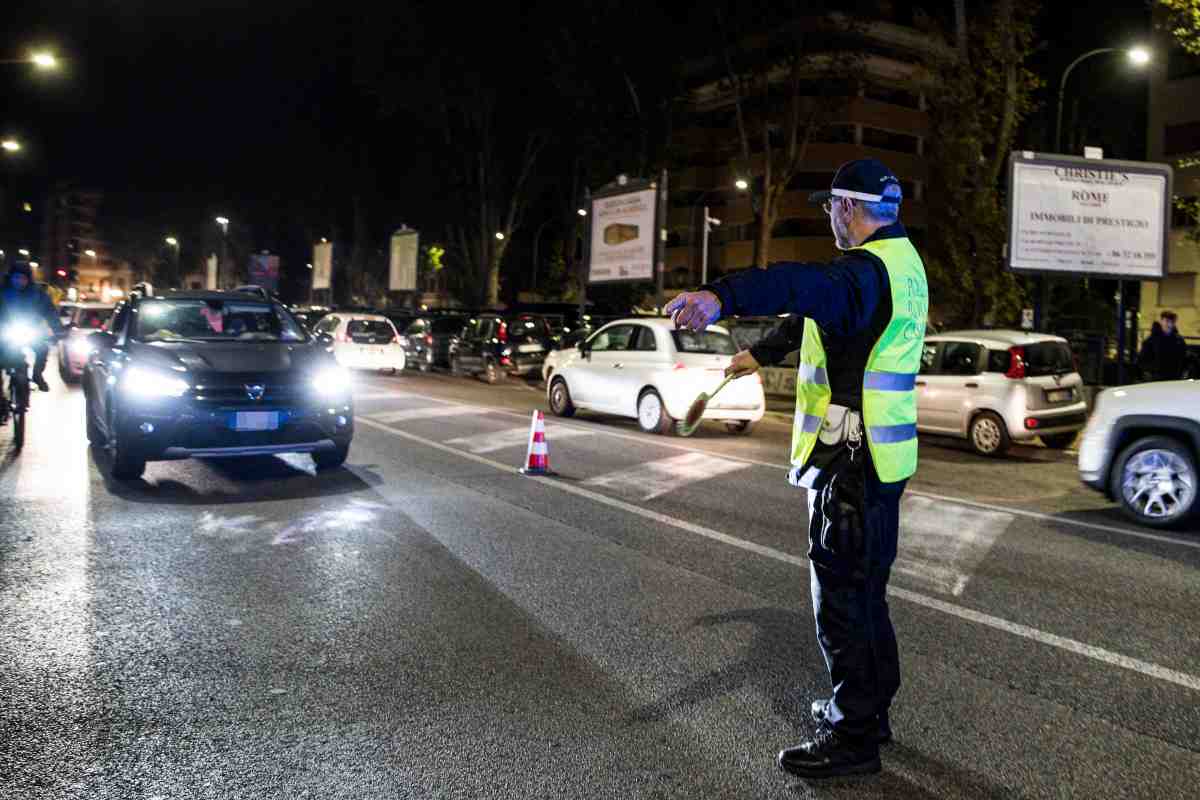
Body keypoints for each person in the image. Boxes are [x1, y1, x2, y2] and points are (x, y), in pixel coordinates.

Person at [666, 158, 928, 781]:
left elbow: (800, 287)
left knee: (840, 599)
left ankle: (852, 737)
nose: (828, 218)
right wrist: (757, 353)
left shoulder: (860, 273)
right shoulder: (903, 266)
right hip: (884, 458)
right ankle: (869, 711)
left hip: (851, 463)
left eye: (830, 206)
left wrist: (719, 296)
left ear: (848, 207)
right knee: (869, 595)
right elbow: (813, 315)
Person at [0, 263, 65, 393]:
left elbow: (50, 313)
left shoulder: (38, 295)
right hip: (4, 334)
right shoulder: (2, 292)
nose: (19, 281)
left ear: (28, 279)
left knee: (42, 349)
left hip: (30, 332)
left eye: (23, 278)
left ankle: (37, 375)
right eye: (16, 277)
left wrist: (58, 330)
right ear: (11, 278)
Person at [1137, 312, 1187, 382]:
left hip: (1174, 379)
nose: (1168, 324)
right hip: (1156, 380)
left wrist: (1182, 373)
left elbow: (1184, 358)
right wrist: (1153, 372)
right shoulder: (1151, 341)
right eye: (1166, 321)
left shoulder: (1179, 341)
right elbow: (1142, 360)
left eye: (1171, 322)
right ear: (1161, 322)